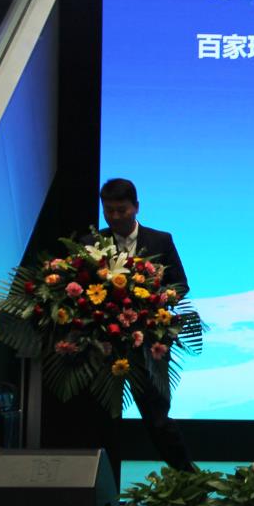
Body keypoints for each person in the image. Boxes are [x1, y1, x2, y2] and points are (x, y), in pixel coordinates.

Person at [90, 178, 197, 489]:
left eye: (121, 210)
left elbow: (181, 284)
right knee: (105, 422)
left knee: (158, 419)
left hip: (150, 343)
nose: (115, 217)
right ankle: (105, 493)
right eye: (108, 210)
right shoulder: (93, 242)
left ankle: (191, 483)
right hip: (106, 345)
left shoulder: (160, 240)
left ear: (136, 207)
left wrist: (152, 297)